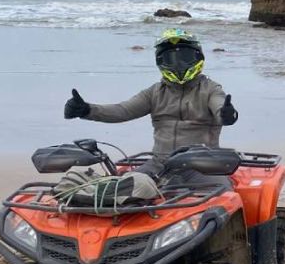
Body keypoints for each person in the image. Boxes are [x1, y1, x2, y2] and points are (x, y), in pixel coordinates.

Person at [63, 28, 239, 186]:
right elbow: (122, 111)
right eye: (171, 58)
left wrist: (226, 114)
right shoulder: (154, 92)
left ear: (198, 58)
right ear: (160, 61)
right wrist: (87, 110)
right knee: (118, 190)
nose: (178, 63)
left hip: (202, 164)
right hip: (159, 164)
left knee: (224, 192)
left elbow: (220, 107)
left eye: (184, 57)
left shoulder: (211, 89)